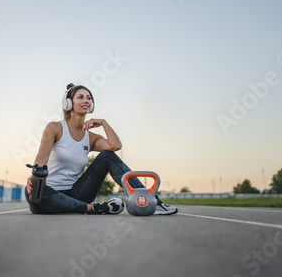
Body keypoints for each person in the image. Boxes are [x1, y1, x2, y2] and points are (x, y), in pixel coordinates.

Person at [25, 83, 178, 215]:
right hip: (49, 192)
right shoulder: (55, 128)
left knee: (107, 156)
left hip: (76, 194)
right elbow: (41, 158)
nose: (86, 100)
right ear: (68, 103)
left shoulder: (90, 137)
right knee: (33, 192)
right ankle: (93, 208)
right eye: (80, 97)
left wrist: (104, 123)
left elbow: (115, 146)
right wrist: (35, 177)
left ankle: (151, 200)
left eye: (89, 98)